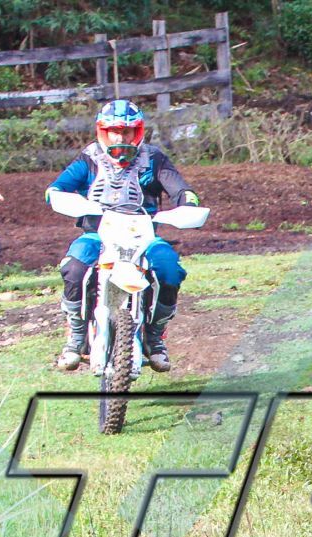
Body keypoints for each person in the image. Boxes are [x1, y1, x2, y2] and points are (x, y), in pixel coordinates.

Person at [44, 99, 200, 372]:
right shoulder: (89, 158)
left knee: (169, 269)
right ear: (103, 131)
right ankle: (76, 337)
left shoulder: (154, 159)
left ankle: (155, 337)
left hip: (143, 235)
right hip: (97, 233)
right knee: (74, 267)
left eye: (126, 131)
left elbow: (180, 189)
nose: (120, 137)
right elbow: (57, 187)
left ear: (137, 132)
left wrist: (188, 203)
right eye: (114, 131)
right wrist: (59, 196)